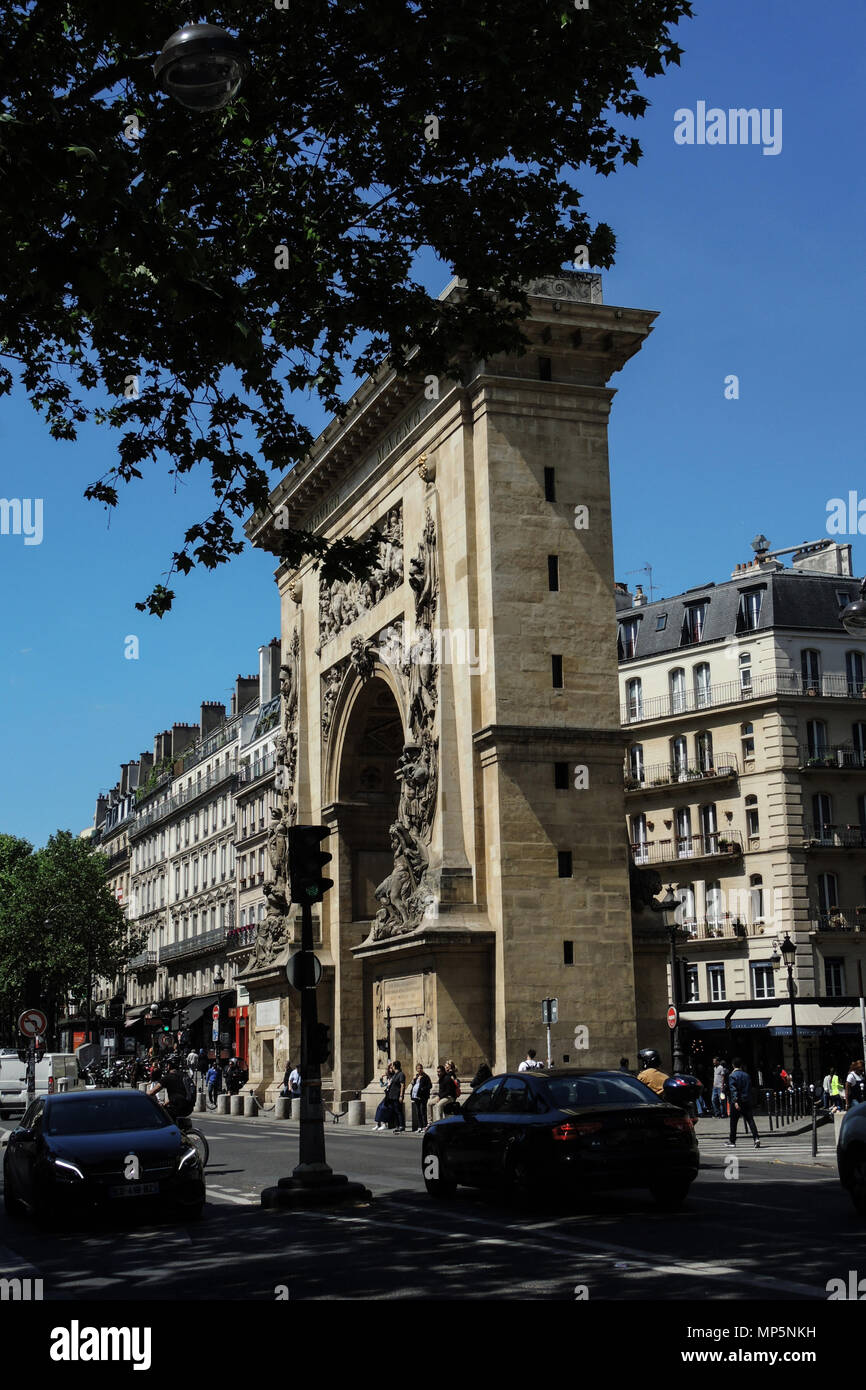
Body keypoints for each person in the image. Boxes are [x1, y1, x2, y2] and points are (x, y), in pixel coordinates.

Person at [725, 1057, 760, 1148]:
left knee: (733, 1122)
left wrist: (735, 1101)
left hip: (738, 1101)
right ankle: (756, 1138)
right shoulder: (746, 1075)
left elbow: (733, 1090)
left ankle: (732, 1141)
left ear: (733, 1065)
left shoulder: (732, 1076)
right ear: (741, 1065)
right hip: (747, 1100)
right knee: (750, 1120)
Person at [146, 1057, 193, 1122]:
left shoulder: (168, 1077)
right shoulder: (184, 1076)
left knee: (159, 1116)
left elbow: (152, 1092)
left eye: (167, 1065)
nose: (166, 1067)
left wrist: (142, 1096)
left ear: (170, 1066)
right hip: (189, 1107)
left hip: (177, 1108)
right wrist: (165, 1104)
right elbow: (178, 1094)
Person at [410, 1063, 432, 1131]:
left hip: (423, 1096)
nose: (419, 1070)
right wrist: (413, 1081)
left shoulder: (425, 1076)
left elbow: (430, 1086)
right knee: (418, 1112)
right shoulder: (416, 1076)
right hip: (416, 1096)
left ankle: (425, 1126)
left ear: (422, 1069)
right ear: (416, 1069)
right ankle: (420, 1126)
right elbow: (414, 1084)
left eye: (420, 1068)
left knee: (423, 1111)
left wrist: (422, 1089)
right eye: (418, 1068)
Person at [374, 1063, 396, 1130]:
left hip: (391, 1096)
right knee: (379, 1107)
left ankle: (384, 1124)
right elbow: (382, 1085)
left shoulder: (394, 1077)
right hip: (387, 1095)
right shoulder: (389, 1077)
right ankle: (378, 1124)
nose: (391, 1069)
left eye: (392, 1068)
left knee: (383, 1108)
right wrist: (381, 1079)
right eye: (390, 1068)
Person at [387, 1058, 407, 1132]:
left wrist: (401, 1096)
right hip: (392, 1096)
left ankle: (402, 1125)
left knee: (399, 1111)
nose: (392, 1067)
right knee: (395, 1111)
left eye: (392, 1066)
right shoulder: (395, 1074)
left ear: (395, 1066)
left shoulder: (401, 1074)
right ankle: (397, 1126)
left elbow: (402, 1085)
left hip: (397, 1095)